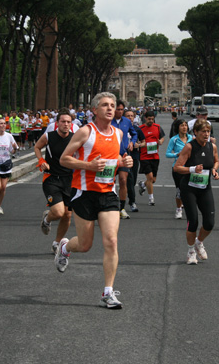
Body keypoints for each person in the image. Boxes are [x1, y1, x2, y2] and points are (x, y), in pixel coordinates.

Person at [57, 92, 133, 309]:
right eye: (105, 105)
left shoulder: (118, 133)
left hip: (108, 192)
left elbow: (114, 158)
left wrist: (123, 160)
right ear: (94, 110)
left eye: (112, 105)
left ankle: (108, 292)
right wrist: (88, 166)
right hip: (84, 192)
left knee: (111, 240)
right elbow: (64, 159)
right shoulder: (85, 132)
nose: (110, 109)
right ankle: (64, 248)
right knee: (85, 244)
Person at [174, 120, 219, 264]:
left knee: (209, 222)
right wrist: (192, 169)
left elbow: (216, 161)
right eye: (203, 132)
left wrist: (214, 170)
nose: (206, 134)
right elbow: (177, 167)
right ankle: (191, 251)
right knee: (193, 221)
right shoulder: (189, 147)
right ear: (195, 133)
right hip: (189, 188)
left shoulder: (212, 146)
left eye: (208, 131)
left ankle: (199, 242)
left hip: (205, 188)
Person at [34, 109, 74, 253]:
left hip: (70, 179)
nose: (66, 124)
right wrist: (41, 161)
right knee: (58, 212)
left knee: (68, 214)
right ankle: (47, 219)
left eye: (68, 122)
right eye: (63, 121)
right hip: (52, 178)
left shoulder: (75, 138)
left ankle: (57, 243)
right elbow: (37, 147)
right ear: (57, 123)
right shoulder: (49, 136)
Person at [111, 100, 137, 219]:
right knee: (109, 182)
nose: (120, 112)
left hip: (124, 155)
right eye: (118, 109)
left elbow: (134, 133)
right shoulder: (107, 121)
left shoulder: (127, 121)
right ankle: (109, 206)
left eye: (122, 109)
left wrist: (132, 142)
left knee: (123, 180)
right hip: (110, 155)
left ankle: (121, 207)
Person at [166, 119, 193, 219]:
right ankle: (178, 210)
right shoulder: (174, 139)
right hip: (178, 168)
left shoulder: (192, 138)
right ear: (177, 127)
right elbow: (167, 154)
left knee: (190, 190)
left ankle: (188, 206)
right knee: (179, 190)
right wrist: (176, 154)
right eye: (182, 125)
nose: (184, 127)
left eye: (186, 125)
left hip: (190, 167)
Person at [138, 111, 165, 206]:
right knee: (149, 177)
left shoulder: (157, 127)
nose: (151, 121)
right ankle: (151, 198)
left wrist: (160, 141)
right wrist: (139, 144)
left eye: (152, 119)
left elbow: (162, 137)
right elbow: (137, 140)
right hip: (144, 156)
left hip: (155, 156)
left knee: (153, 180)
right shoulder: (140, 129)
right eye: (149, 119)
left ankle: (143, 184)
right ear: (145, 118)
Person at [124, 109, 145, 213]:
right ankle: (131, 202)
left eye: (132, 116)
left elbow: (144, 142)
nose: (130, 117)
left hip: (134, 157)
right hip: (123, 157)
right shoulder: (120, 129)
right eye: (128, 116)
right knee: (127, 179)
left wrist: (139, 145)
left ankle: (130, 199)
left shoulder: (137, 129)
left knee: (132, 181)